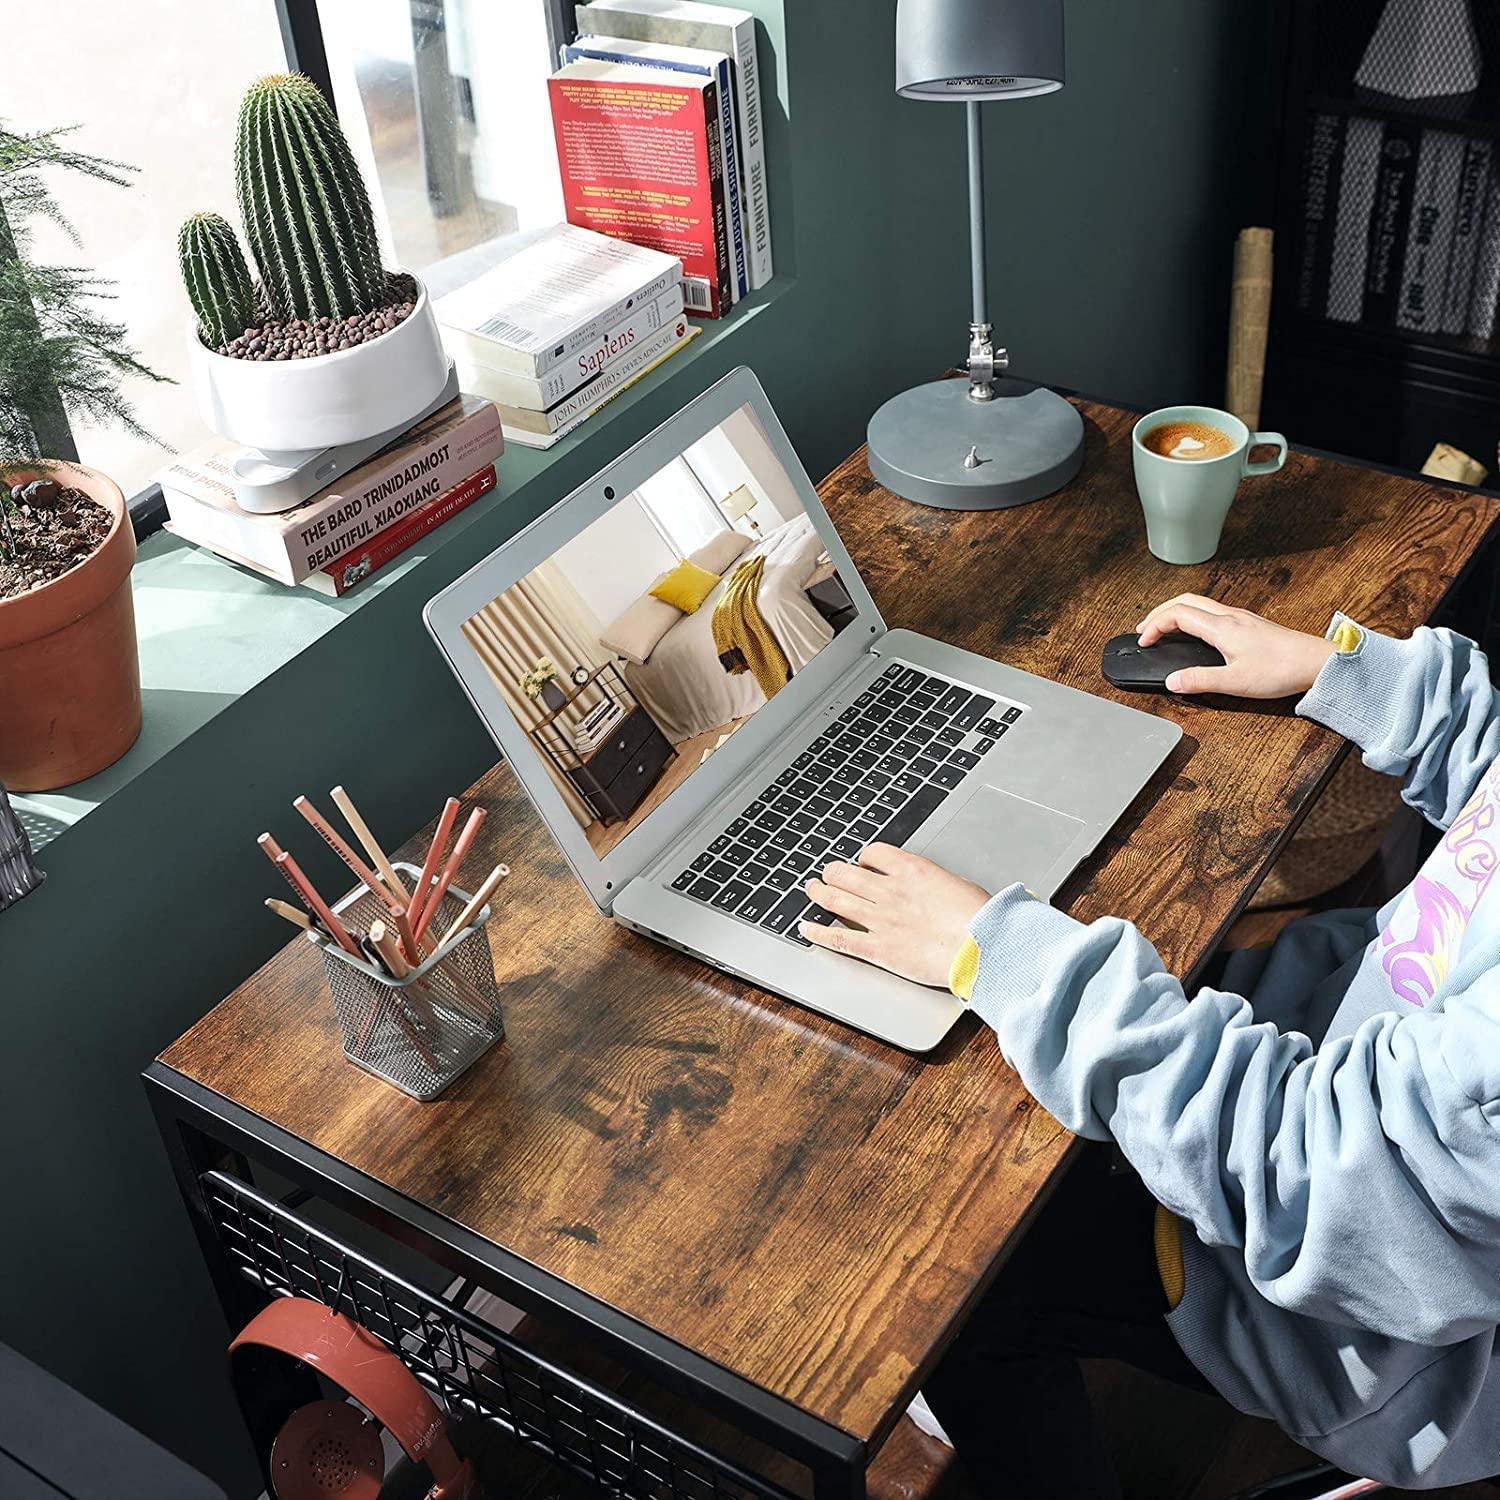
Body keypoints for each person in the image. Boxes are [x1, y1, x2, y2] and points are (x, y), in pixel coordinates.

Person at [796, 595, 1500, 1496]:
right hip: (1326, 1052)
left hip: (1347, 1307)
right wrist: (1358, 678)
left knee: (958, 1283)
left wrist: (1000, 955)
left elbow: (1320, 1182)